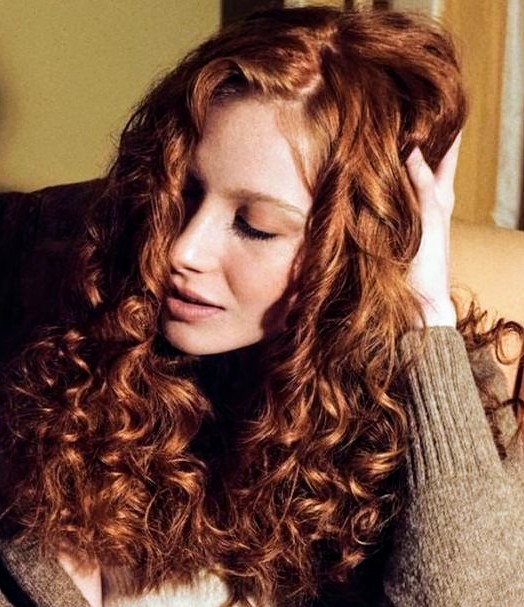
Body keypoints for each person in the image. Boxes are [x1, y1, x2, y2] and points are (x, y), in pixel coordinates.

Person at [0, 6, 522, 607]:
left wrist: (426, 314)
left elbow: (470, 597)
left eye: (256, 226)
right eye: (183, 193)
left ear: (355, 251)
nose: (183, 250)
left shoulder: (431, 386)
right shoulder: (76, 293)